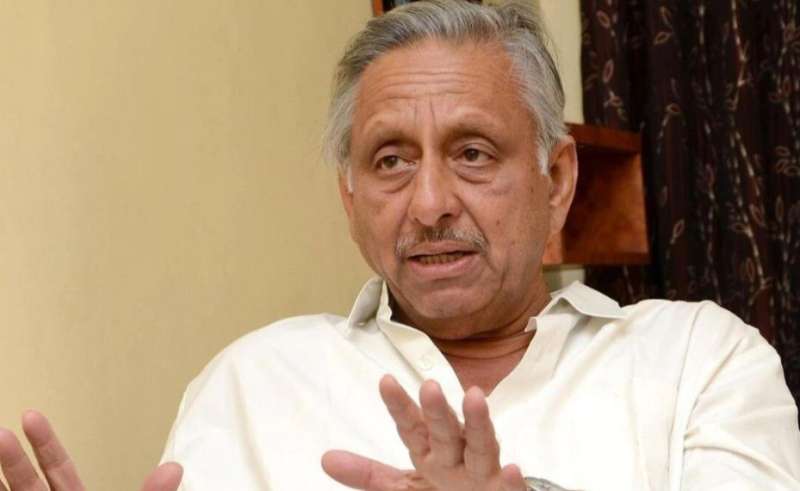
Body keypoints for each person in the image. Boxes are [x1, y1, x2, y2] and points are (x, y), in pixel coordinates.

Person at [1, 1, 799, 490]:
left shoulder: (700, 361)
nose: (428, 203)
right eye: (390, 161)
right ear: (350, 195)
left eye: (473, 153)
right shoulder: (252, 382)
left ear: (557, 179)